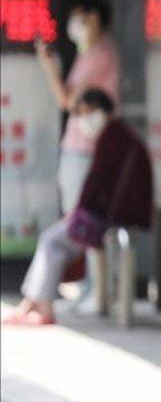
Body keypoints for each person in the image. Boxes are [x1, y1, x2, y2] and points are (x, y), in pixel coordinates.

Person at [4, 90, 152, 326]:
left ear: (104, 110)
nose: (85, 119)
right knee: (55, 242)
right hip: (118, 215)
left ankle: (40, 306)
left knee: (51, 240)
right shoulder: (120, 135)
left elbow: (97, 183)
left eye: (88, 112)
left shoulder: (113, 138)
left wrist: (79, 211)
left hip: (110, 218)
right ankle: (33, 303)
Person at [35, 0, 122, 213]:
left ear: (93, 19)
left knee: (81, 227)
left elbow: (66, 100)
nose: (73, 25)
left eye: (78, 18)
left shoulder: (100, 55)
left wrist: (47, 66)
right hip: (81, 151)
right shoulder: (89, 54)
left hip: (86, 152)